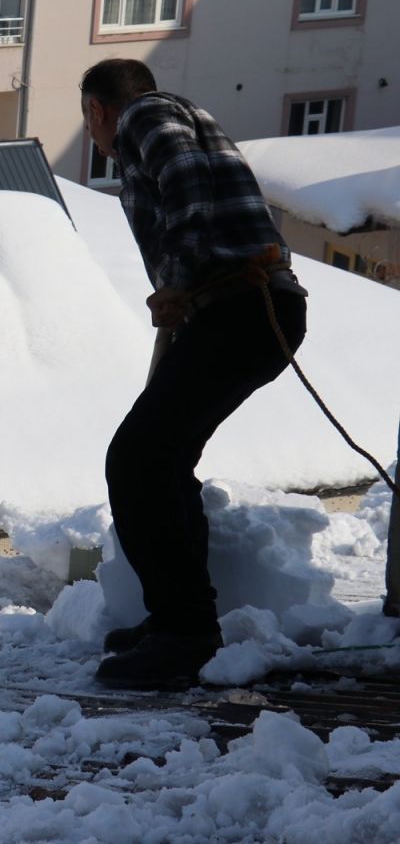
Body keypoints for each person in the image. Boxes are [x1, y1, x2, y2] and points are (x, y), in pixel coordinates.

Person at [81, 58, 308, 689]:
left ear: (97, 110)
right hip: (238, 310)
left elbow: (187, 188)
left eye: (90, 120)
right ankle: (176, 620)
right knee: (161, 460)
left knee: (137, 461)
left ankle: (184, 634)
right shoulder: (178, 116)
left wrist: (176, 283)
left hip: (243, 306)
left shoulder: (146, 116)